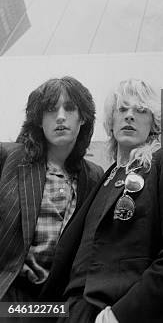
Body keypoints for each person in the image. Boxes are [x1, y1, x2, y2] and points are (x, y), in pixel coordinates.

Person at [42, 79, 163, 323]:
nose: (129, 116)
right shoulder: (106, 176)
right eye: (122, 109)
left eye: (140, 110)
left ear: (154, 121)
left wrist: (123, 314)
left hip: (121, 313)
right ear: (111, 120)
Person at [0, 76, 103, 303]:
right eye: (50, 109)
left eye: (69, 108)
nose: (60, 117)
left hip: (59, 302)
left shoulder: (94, 176)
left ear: (83, 118)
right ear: (38, 119)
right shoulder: (10, 159)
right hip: (10, 296)